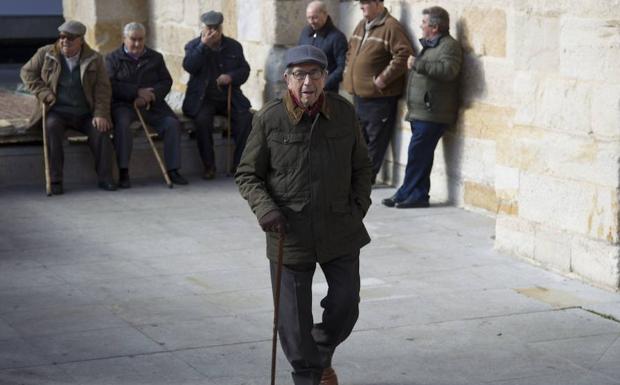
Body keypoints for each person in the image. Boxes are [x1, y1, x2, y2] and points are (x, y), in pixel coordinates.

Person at [235, 45, 372, 385]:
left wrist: (357, 208)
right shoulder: (269, 118)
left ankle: (320, 354)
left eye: (314, 74)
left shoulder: (343, 112)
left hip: (339, 227)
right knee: (294, 324)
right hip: (288, 232)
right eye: (299, 74)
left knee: (345, 305)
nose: (307, 82)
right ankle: (309, 375)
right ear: (287, 79)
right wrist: (266, 210)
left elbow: (362, 166)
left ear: (325, 78)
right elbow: (247, 174)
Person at [20, 20, 116, 194]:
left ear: (81, 40)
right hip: (57, 111)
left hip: (85, 112)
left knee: (101, 133)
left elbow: (103, 89)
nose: (65, 41)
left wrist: (101, 113)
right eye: (62, 36)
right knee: (51, 129)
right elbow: (27, 73)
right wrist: (44, 93)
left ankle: (105, 177)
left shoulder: (95, 58)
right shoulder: (46, 53)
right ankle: (55, 180)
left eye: (70, 38)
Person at [382, 6, 462, 208]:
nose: (421, 26)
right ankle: (409, 193)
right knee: (418, 155)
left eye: (424, 23)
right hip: (422, 112)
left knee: (418, 154)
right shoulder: (432, 45)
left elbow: (449, 71)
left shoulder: (449, 46)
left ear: (434, 27)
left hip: (433, 112)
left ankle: (413, 194)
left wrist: (419, 64)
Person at [105, 22, 188, 187]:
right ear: (124, 38)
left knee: (172, 124)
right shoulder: (112, 58)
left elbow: (166, 81)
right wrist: (135, 92)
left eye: (140, 39)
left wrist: (150, 96)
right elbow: (110, 85)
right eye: (133, 39)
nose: (137, 43)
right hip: (124, 105)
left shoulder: (155, 57)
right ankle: (123, 171)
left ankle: (173, 169)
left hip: (153, 105)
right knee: (122, 125)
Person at [343, 0, 413, 184]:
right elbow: (350, 50)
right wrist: (347, 70)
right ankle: (356, 176)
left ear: (378, 4)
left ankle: (366, 180)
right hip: (359, 95)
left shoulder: (391, 26)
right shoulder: (361, 25)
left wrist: (383, 79)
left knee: (375, 140)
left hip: (379, 97)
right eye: (360, 4)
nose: (361, 7)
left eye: (365, 4)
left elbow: (404, 54)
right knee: (359, 139)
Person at [182, 10, 253, 179]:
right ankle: (209, 166)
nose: (212, 32)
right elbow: (190, 66)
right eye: (208, 28)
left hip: (228, 95)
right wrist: (203, 46)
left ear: (221, 28)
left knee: (245, 118)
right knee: (202, 121)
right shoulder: (193, 46)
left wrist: (231, 77)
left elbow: (244, 70)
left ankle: (240, 165)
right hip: (203, 97)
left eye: (215, 28)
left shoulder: (234, 46)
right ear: (203, 28)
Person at [297, 1, 348, 92]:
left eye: (315, 17)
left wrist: (322, 84)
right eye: (309, 18)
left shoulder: (337, 37)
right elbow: (298, 58)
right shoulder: (305, 32)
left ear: (325, 14)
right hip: (305, 90)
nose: (311, 21)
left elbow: (342, 67)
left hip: (327, 92)